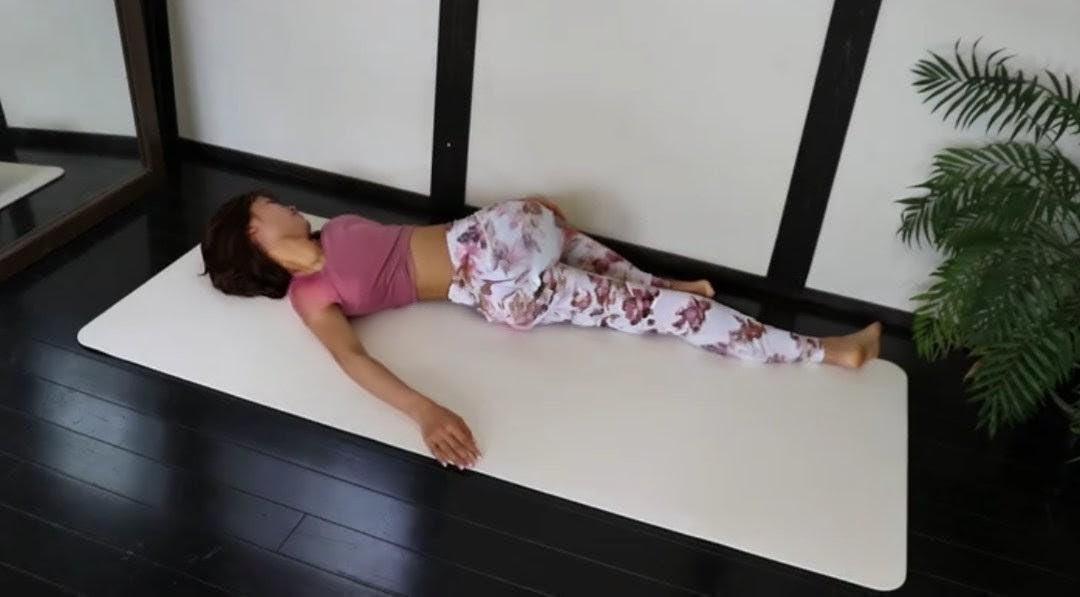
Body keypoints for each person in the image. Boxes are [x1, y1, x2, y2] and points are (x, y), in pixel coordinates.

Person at [201, 190, 882, 471]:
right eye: (270, 206)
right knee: (665, 314)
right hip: (495, 279)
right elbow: (352, 359)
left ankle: (662, 287)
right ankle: (824, 351)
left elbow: (424, 236)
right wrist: (425, 410)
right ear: (254, 235)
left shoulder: (331, 232)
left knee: (585, 251)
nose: (284, 204)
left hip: (488, 241)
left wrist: (521, 214)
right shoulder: (311, 294)